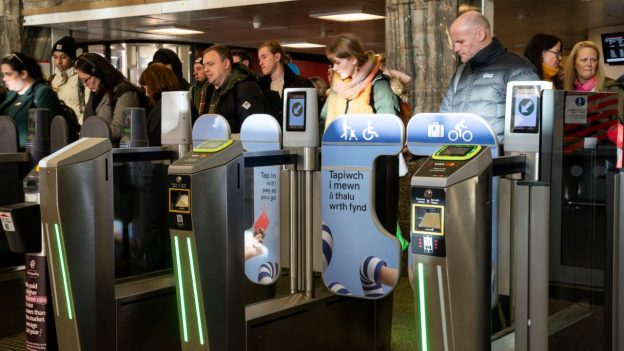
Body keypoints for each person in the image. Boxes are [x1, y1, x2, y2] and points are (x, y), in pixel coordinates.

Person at [440, 10, 539, 143]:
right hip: (460, 160)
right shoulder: (460, 73)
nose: (455, 49)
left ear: (480, 35)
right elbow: (444, 119)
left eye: (461, 42)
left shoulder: (518, 68)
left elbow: (527, 128)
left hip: (499, 162)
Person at [320, 33, 400, 129]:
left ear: (353, 60)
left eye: (337, 63)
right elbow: (323, 121)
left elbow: (388, 126)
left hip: (367, 142)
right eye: (333, 63)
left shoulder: (379, 85)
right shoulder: (338, 87)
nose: (335, 68)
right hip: (338, 143)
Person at [75, 53, 143, 142]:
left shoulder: (125, 93)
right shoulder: (96, 94)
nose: (85, 84)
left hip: (117, 153)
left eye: (86, 80)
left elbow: (120, 129)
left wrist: (90, 133)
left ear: (97, 72)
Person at [0, 52, 61, 147]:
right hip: (9, 152)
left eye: (8, 74)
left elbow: (40, 133)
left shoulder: (41, 93)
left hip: (28, 156)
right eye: (3, 74)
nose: (4, 79)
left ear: (23, 74)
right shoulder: (11, 95)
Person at [203, 44, 267, 133]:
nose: (206, 69)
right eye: (204, 65)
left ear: (226, 64)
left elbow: (252, 131)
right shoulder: (209, 90)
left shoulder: (246, 89)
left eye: (210, 64)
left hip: (236, 146)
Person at [563, 40, 624, 116]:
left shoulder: (612, 89)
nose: (589, 64)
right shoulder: (566, 90)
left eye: (593, 60)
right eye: (584, 60)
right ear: (574, 64)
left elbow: (619, 121)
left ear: (597, 64)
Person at [258, 40, 314, 119]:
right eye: (259, 59)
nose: (260, 63)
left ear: (277, 57)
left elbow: (310, 116)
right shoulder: (260, 86)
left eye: (264, 57)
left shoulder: (301, 84)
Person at [139, 63, 180, 146]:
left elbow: (154, 139)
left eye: (147, 87)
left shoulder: (165, 105)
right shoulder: (176, 101)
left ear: (156, 84)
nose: (146, 94)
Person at [50, 36, 87, 124]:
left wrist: (81, 128)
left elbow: (88, 107)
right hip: (58, 129)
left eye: (63, 57)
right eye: (55, 57)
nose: (59, 61)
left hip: (78, 129)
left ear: (72, 58)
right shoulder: (51, 80)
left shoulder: (81, 78)